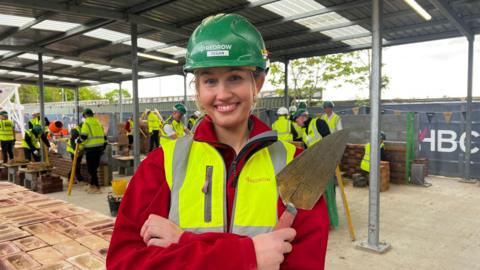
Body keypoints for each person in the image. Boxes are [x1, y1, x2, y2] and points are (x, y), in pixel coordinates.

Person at [107, 13, 329, 269]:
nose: (222, 94)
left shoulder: (297, 167)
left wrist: (183, 241)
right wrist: (245, 254)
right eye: (210, 80)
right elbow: (124, 262)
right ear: (198, 90)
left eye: (235, 77)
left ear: (257, 82)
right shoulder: (163, 165)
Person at [293, 108, 339, 229]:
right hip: (314, 165)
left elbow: (331, 141)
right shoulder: (304, 130)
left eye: (296, 119)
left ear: (302, 117)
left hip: (325, 164)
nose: (296, 123)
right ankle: (321, 220)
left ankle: (330, 222)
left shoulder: (319, 123)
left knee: (328, 192)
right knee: (317, 193)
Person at [79, 108, 106, 194]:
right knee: (95, 167)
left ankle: (97, 187)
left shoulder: (86, 123)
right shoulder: (98, 122)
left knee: (91, 169)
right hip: (99, 148)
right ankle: (92, 185)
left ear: (85, 115)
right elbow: (104, 136)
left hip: (91, 149)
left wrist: (78, 141)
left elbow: (84, 137)